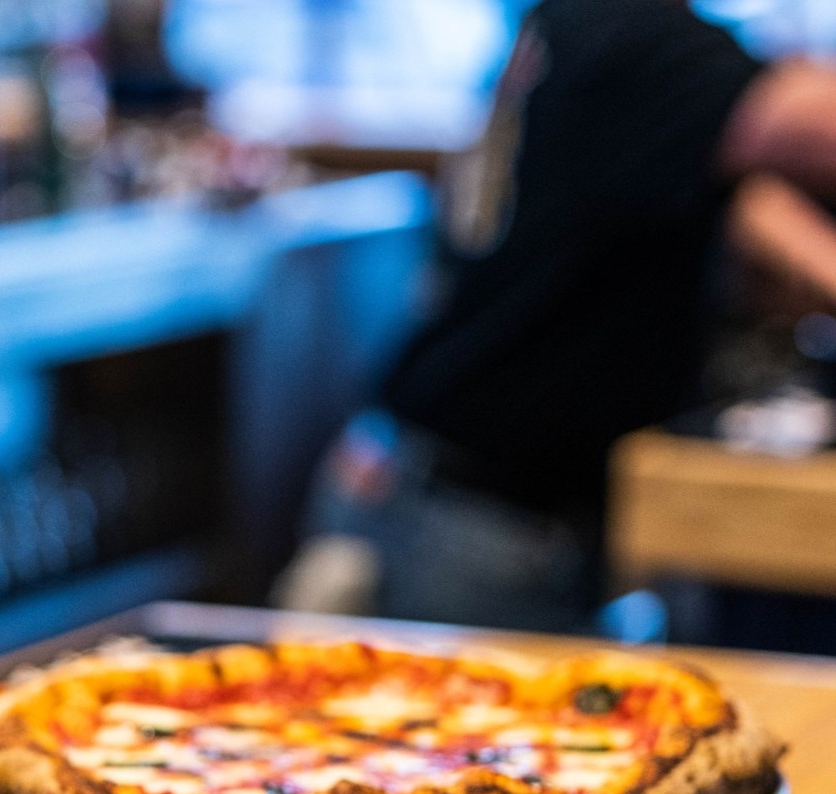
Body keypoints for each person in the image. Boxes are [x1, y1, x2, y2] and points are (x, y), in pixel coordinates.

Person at [286, 0, 836, 631]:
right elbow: (811, 126)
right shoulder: (634, 36)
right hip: (472, 519)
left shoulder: (578, 29)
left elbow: (759, 219)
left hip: (462, 492)